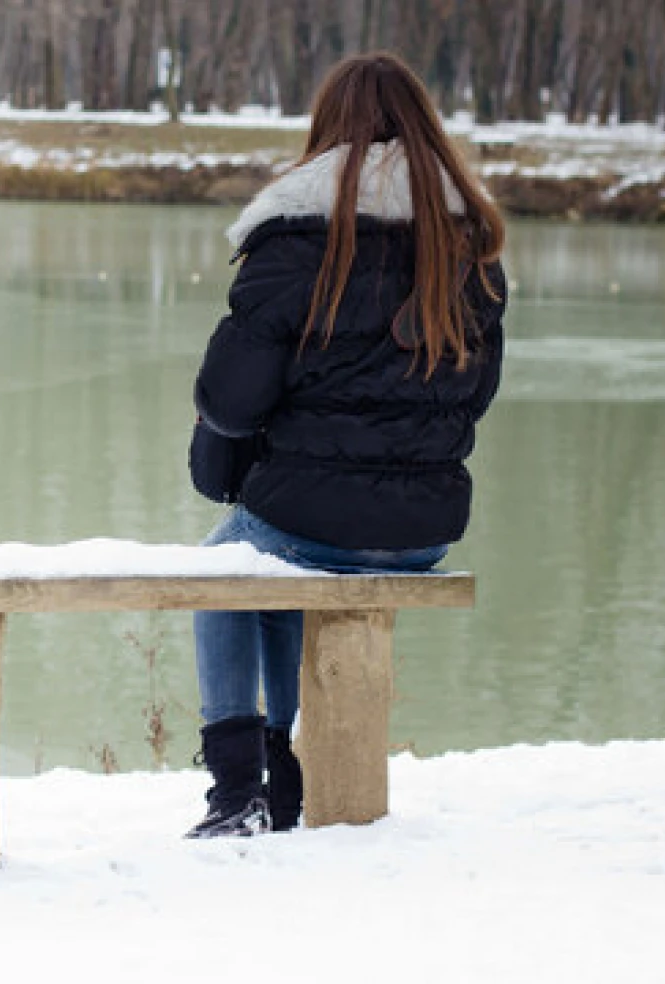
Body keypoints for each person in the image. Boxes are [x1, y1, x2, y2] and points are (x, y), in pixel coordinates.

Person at [185, 53, 508, 838]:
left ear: (327, 129)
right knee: (273, 557)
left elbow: (229, 400)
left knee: (223, 569)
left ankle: (239, 788)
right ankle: (283, 772)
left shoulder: (296, 236)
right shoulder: (467, 246)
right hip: (426, 529)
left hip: (311, 521)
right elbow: (477, 396)